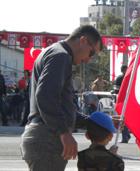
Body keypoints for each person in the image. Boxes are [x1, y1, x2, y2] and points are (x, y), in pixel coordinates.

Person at [20, 25, 102, 171]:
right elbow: (45, 97)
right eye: (92, 53)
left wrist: (97, 123)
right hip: (47, 139)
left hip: (44, 138)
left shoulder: (56, 53)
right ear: (83, 40)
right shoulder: (61, 56)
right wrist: (64, 132)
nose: (88, 60)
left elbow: (62, 108)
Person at [114, 65, 130, 143]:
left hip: (122, 101)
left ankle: (125, 137)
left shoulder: (119, 78)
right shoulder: (129, 78)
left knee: (122, 118)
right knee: (124, 118)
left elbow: (116, 91)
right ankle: (126, 135)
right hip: (126, 101)